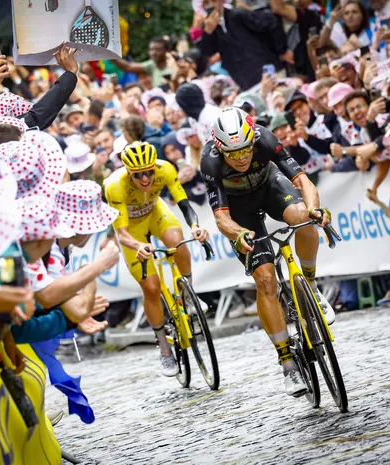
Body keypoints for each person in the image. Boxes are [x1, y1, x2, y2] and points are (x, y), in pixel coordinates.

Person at [200, 107, 335, 397]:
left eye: (245, 150)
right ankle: (287, 363)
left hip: (269, 186)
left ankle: (311, 287)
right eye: (232, 154)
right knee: (265, 280)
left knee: (302, 216)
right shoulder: (210, 161)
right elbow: (221, 218)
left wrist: (314, 208)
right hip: (239, 208)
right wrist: (238, 234)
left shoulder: (265, 138)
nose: (241, 158)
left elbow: (302, 180)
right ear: (220, 149)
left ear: (253, 140)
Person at [103, 141, 210, 376]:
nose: (145, 179)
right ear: (128, 172)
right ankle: (164, 348)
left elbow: (184, 204)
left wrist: (195, 226)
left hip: (155, 213)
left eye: (149, 172)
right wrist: (138, 245)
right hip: (132, 230)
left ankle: (188, 294)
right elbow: (122, 233)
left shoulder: (165, 169)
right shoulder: (114, 186)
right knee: (151, 288)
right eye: (138, 175)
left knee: (178, 241)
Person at [199, 0, 292, 90]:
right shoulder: (209, 30)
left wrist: (282, 50)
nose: (210, 5)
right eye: (206, 2)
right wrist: (208, 32)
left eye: (214, 0)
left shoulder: (237, 15)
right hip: (246, 83)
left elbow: (270, 21)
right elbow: (207, 52)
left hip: (269, 73)